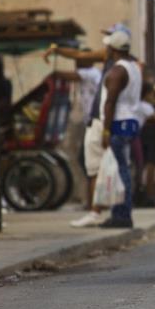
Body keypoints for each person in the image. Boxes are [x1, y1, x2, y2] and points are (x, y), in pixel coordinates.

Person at [70, 30, 142, 228]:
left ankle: (122, 214)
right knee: (122, 169)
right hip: (130, 122)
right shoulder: (134, 67)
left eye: (108, 46)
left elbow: (109, 103)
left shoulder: (117, 71)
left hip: (118, 124)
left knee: (120, 170)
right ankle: (121, 212)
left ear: (113, 49)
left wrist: (106, 131)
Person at [50, 51, 102, 210]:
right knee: (88, 162)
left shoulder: (91, 73)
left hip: (96, 123)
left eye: (80, 59)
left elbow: (64, 75)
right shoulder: (90, 74)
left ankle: (94, 202)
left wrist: (54, 71)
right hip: (91, 123)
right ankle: (92, 200)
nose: (77, 63)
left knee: (89, 162)